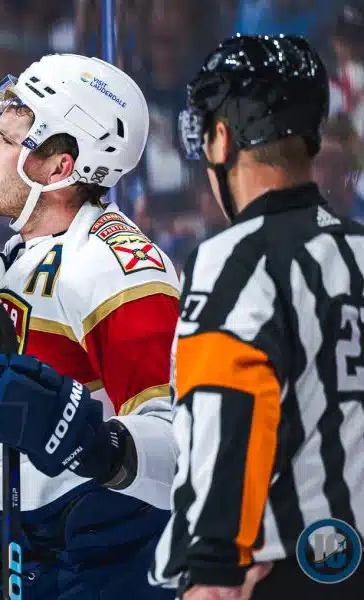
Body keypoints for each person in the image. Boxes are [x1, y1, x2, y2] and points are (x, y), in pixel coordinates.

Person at [0, 53, 180, 599]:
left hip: (86, 574)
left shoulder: (118, 269)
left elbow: (183, 446)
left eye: (6, 140)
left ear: (59, 167)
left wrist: (93, 443)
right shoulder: (18, 257)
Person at [149, 34, 364, 599]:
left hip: (282, 574)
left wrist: (212, 569)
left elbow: (228, 413)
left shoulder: (237, 260)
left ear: (221, 139)